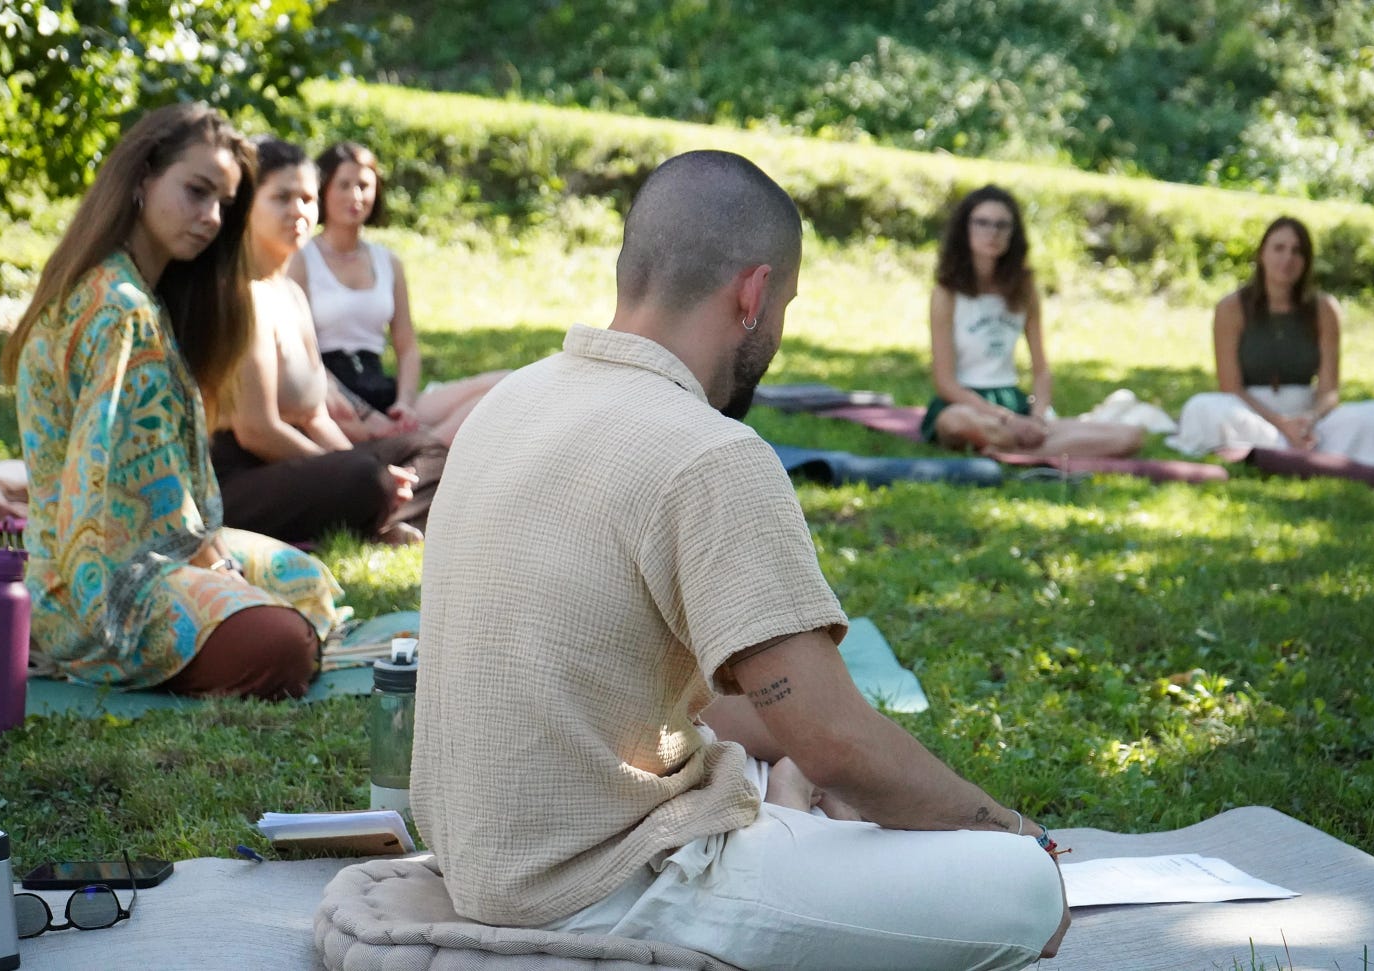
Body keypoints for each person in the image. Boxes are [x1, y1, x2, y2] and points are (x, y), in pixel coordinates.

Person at [412, 151, 1069, 971]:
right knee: (1023, 890)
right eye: (784, 306)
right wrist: (1015, 831)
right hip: (605, 887)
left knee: (777, 763)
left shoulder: (509, 398)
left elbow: (683, 704)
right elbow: (833, 741)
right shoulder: (711, 452)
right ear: (753, 296)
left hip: (478, 857)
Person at [0, 103, 341, 699]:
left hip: (167, 549)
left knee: (308, 580)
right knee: (284, 644)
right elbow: (105, 490)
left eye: (224, 204)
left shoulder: (140, 294)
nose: (211, 217)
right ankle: (66, 638)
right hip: (106, 582)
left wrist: (213, 561)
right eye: (196, 191)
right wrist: (211, 569)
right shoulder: (119, 309)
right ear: (141, 180)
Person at [210, 137, 448, 547]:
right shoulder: (240, 296)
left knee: (427, 450)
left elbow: (316, 417)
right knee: (362, 478)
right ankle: (376, 518)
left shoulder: (292, 295)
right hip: (240, 479)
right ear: (248, 207)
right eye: (281, 198)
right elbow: (257, 431)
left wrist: (365, 465)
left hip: (306, 467)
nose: (297, 211)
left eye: (306, 198)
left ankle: (376, 516)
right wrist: (356, 470)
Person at [290, 140, 506, 446]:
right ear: (323, 190)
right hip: (331, 392)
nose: (355, 195)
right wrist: (362, 413)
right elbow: (300, 353)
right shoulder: (302, 258)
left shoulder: (388, 261)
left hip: (381, 387)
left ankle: (419, 445)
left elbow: (407, 348)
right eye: (344, 185)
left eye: (364, 185)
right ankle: (412, 448)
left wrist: (404, 402)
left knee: (504, 385)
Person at [1167, 216, 1374, 469]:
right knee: (1202, 407)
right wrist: (1281, 424)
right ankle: (1281, 447)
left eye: (1297, 251)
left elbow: (1329, 392)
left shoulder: (1324, 309)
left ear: (1306, 261)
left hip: (1309, 418)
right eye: (1279, 248)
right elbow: (1230, 387)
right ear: (1262, 254)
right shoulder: (1231, 308)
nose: (1287, 259)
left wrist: (1308, 420)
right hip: (1250, 412)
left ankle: (1281, 449)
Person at [922, 185, 1145, 458]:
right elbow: (945, 382)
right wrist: (1004, 419)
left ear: (1013, 233)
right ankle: (1017, 446)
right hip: (968, 406)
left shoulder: (1024, 289)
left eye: (1002, 225)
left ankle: (1014, 451)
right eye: (982, 223)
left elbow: (1041, 370)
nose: (992, 233)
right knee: (955, 422)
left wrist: (1037, 417)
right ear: (964, 229)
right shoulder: (947, 294)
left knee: (1130, 437)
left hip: (1014, 402)